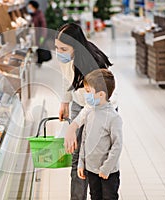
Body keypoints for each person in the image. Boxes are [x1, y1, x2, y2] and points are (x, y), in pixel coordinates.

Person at [55, 22, 113, 200]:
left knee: (93, 156)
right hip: (79, 101)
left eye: (63, 49)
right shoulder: (66, 56)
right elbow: (67, 78)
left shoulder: (91, 63)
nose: (59, 52)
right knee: (76, 156)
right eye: (57, 47)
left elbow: (94, 103)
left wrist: (73, 126)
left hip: (98, 107)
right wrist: (65, 102)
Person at [73, 68, 123, 200]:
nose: (85, 95)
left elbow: (117, 146)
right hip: (91, 170)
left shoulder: (113, 118)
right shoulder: (89, 113)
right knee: (94, 196)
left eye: (88, 92)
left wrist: (106, 168)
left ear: (101, 94)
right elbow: (84, 141)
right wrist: (81, 164)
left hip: (108, 172)